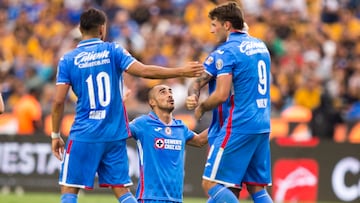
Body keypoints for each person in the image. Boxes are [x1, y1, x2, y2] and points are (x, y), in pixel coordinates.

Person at [51, 8, 203, 203]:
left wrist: (55, 135)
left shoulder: (68, 60)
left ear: (80, 29)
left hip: (84, 133)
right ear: (102, 29)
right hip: (114, 135)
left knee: (70, 189)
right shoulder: (113, 50)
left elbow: (58, 102)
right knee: (122, 192)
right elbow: (144, 71)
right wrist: (180, 70)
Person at [192, 3, 273, 203]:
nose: (211, 30)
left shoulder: (227, 52)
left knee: (210, 184)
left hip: (239, 123)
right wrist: (194, 91)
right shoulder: (260, 46)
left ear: (226, 25)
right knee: (256, 188)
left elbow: (221, 95)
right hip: (262, 123)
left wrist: (201, 106)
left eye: (214, 24)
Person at [129, 84, 208, 203]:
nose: (169, 94)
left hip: (176, 198)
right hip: (150, 197)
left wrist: (222, 121)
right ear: (152, 102)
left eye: (170, 91)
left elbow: (200, 141)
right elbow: (119, 132)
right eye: (163, 92)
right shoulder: (143, 123)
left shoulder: (180, 127)